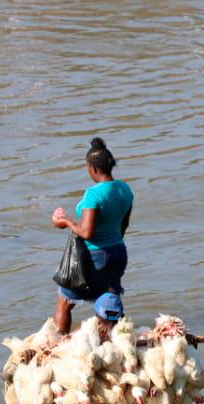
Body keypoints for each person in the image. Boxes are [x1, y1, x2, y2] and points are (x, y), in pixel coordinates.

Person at [51, 137, 133, 334]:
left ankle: (60, 345)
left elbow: (86, 232)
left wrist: (65, 222)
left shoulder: (93, 194)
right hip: (118, 253)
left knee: (64, 302)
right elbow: (124, 225)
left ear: (94, 169)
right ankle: (116, 338)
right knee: (110, 300)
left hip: (94, 256)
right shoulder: (125, 189)